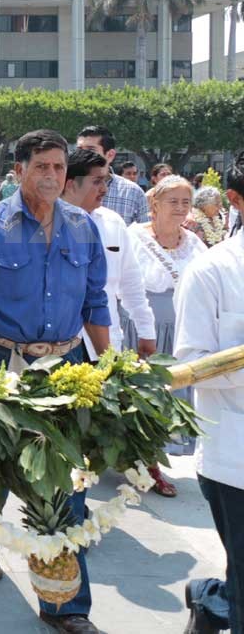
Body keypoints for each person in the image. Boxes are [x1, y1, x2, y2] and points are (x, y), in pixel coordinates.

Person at [0, 129, 109, 634]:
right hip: (3, 364)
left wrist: (110, 367)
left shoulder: (83, 227)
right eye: (42, 167)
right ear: (18, 170)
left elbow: (95, 302)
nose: (52, 176)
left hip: (67, 366)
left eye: (59, 167)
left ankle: (66, 607)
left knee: (67, 483)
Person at [175, 153, 244, 634]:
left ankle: (211, 599)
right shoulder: (212, 271)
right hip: (235, 460)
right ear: (236, 200)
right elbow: (191, 366)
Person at [124, 174, 206, 495]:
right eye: (173, 201)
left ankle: (151, 461)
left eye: (186, 202)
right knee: (142, 397)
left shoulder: (194, 243)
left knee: (168, 400)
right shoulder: (134, 237)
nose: (180, 207)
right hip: (141, 330)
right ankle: (144, 464)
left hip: (180, 331)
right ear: (154, 204)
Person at [60, 148, 156, 362]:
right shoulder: (45, 226)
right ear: (71, 184)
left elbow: (130, 281)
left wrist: (146, 329)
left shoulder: (113, 223)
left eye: (106, 181)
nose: (104, 189)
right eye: (96, 182)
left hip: (105, 345)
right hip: (58, 348)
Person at [76, 126, 149, 226]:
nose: (82, 155)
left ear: (110, 155)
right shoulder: (65, 189)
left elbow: (144, 232)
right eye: (79, 150)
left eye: (90, 150)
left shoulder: (133, 192)